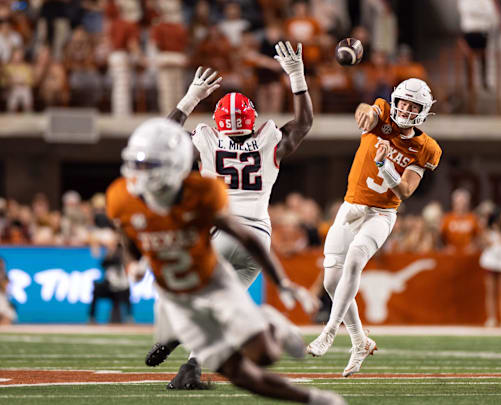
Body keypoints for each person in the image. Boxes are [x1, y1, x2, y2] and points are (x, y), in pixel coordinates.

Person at [107, 117, 343, 404]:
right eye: (138, 164)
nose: (142, 174)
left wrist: (281, 282)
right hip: (178, 297)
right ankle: (315, 399)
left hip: (211, 279)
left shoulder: (202, 192)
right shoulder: (121, 196)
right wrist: (132, 263)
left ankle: (269, 326)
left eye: (151, 166)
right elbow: (128, 236)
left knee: (265, 355)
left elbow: (244, 236)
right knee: (240, 373)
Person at [144, 40, 314, 388]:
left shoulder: (207, 140)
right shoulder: (269, 140)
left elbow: (162, 138)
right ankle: (190, 366)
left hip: (220, 233)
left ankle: (177, 332)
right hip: (258, 240)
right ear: (252, 118)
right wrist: (297, 77)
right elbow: (304, 124)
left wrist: (189, 99)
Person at [306, 77, 442, 376]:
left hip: (381, 214)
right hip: (350, 206)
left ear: (423, 110)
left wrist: (386, 166)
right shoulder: (382, 113)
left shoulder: (426, 148)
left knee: (355, 258)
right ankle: (359, 341)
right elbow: (367, 110)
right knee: (331, 282)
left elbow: (405, 191)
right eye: (402, 102)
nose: (405, 109)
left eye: (412, 105)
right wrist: (364, 112)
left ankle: (329, 332)